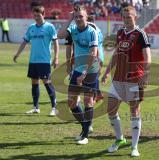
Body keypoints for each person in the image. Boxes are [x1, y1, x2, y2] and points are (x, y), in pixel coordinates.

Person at [101, 6, 151, 157]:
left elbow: (148, 56)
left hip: (134, 78)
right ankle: (120, 139)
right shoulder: (120, 32)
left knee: (134, 111)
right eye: (124, 16)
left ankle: (134, 147)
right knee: (110, 109)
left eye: (129, 16)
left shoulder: (140, 34)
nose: (126, 19)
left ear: (135, 17)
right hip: (118, 78)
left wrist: (146, 74)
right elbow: (117, 54)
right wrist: (107, 72)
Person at [58, 6, 99, 145]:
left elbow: (94, 54)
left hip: (91, 69)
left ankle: (85, 136)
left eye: (81, 16)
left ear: (86, 17)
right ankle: (85, 127)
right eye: (76, 16)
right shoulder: (73, 29)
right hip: (77, 69)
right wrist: (69, 18)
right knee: (71, 102)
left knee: (88, 101)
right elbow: (60, 35)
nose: (78, 19)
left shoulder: (92, 32)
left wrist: (84, 73)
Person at [13, 5, 59, 116]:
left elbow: (55, 42)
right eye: (34, 15)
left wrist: (56, 57)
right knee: (34, 83)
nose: (36, 18)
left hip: (44, 61)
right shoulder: (31, 27)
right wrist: (17, 54)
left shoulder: (49, 27)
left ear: (43, 14)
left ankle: (54, 107)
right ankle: (35, 107)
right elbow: (25, 41)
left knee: (47, 82)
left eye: (38, 15)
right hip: (33, 60)